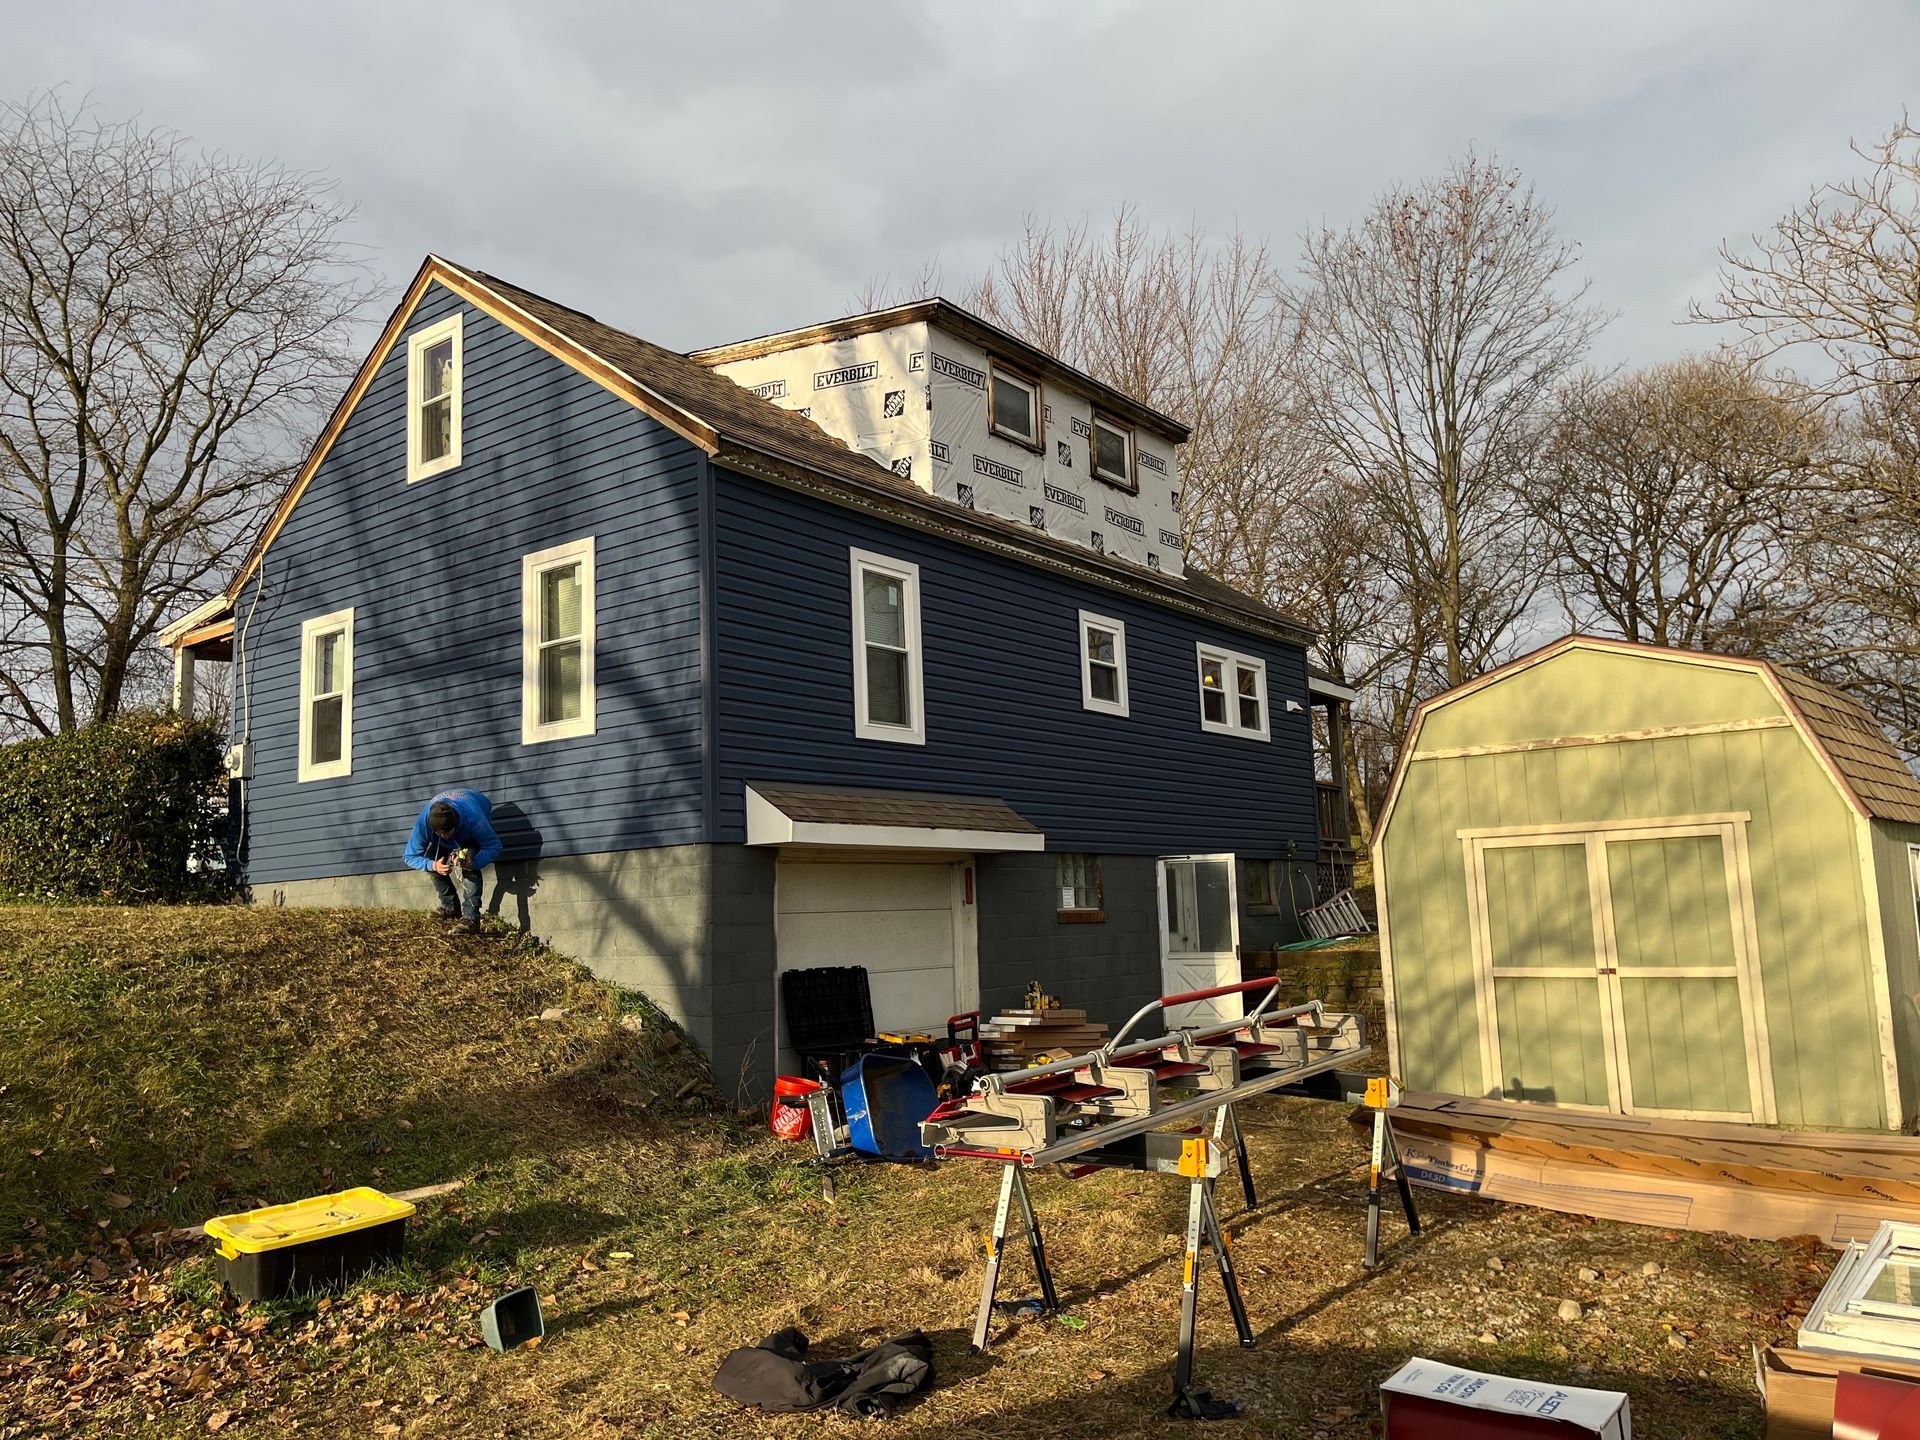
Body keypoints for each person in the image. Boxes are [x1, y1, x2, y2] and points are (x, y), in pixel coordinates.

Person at [402, 787, 502, 933]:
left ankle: (471, 919)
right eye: (439, 833)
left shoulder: (474, 820)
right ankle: (451, 908)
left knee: (469, 866)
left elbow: (494, 846)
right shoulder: (423, 824)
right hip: (455, 821)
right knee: (432, 862)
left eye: (447, 832)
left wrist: (474, 862)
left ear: (455, 824)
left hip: (477, 806)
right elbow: (409, 856)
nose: (444, 836)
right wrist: (433, 865)